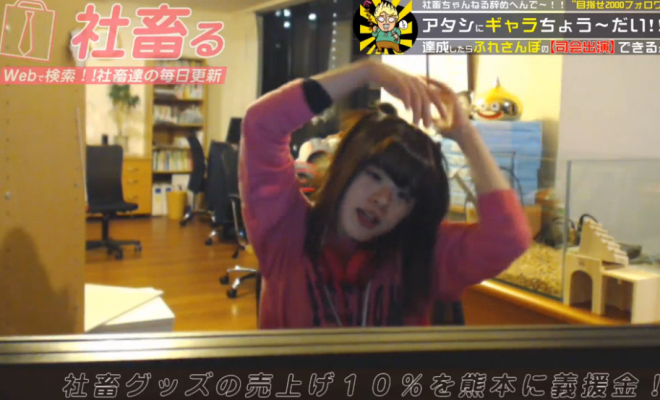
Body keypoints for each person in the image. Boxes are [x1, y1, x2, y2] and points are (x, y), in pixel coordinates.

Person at [239, 60, 532, 329]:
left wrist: (465, 133)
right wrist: (368, 71)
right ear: (345, 168)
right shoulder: (285, 231)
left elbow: (509, 238)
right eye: (374, 176)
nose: (382, 200)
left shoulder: (419, 254)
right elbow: (261, 123)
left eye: (403, 195)